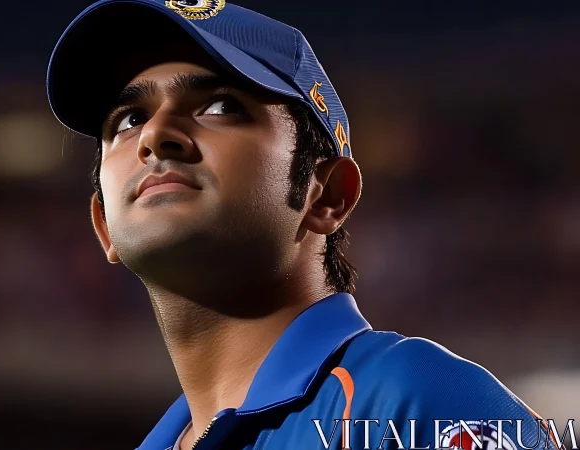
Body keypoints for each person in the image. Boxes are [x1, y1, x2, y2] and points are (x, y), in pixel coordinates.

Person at [46, 1, 560, 449]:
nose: (155, 135)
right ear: (104, 227)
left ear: (328, 194)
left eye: (221, 106)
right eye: (128, 120)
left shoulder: (415, 402)